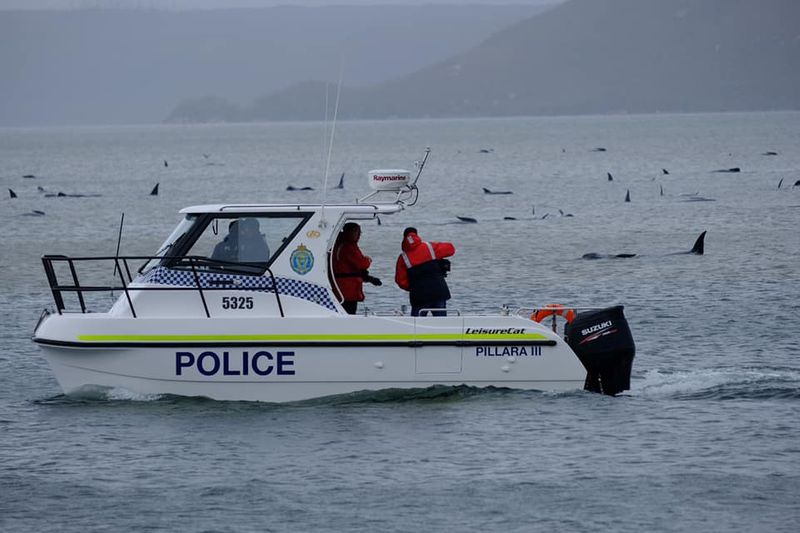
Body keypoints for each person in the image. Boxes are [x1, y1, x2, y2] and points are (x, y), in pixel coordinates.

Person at [394, 227, 455, 317]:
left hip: (419, 296)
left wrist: (414, 287)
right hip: (439, 291)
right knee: (442, 323)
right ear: (417, 235)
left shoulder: (403, 258)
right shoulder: (429, 247)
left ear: (404, 238)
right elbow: (451, 249)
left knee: (416, 325)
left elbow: (400, 281)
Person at [331, 222, 381, 315]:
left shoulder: (338, 244)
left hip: (340, 286)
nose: (359, 235)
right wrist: (368, 259)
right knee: (349, 312)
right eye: (358, 232)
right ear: (353, 232)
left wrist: (369, 278)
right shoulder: (349, 246)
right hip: (348, 289)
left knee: (342, 312)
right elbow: (362, 264)